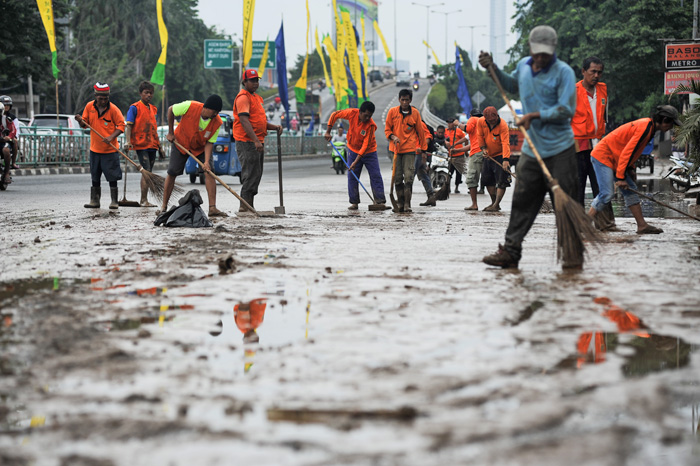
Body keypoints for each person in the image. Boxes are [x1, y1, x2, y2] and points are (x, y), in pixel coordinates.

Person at [479, 25, 580, 269]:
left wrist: (535, 115)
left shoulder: (563, 72)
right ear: (531, 49)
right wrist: (493, 69)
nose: (541, 57)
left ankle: (572, 254)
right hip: (532, 151)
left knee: (566, 203)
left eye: (546, 53)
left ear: (553, 50)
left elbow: (567, 109)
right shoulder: (524, 65)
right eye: (537, 52)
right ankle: (511, 250)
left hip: (560, 149)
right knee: (522, 200)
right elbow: (512, 86)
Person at [588, 106, 679, 234]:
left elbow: (633, 150)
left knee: (631, 190)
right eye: (671, 124)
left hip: (615, 159)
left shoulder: (650, 128)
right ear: (664, 120)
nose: (671, 127)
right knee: (606, 193)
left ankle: (642, 225)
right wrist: (620, 178)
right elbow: (628, 152)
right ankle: (584, 223)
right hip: (603, 157)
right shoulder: (645, 127)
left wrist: (631, 169)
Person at [163, 94, 227, 217]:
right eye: (214, 111)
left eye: (217, 112)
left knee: (210, 172)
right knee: (172, 172)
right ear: (207, 108)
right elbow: (171, 109)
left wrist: (207, 162)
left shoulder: (217, 122)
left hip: (200, 147)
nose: (215, 115)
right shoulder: (189, 106)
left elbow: (209, 143)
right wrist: (171, 132)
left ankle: (212, 208)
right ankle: (164, 207)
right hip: (181, 141)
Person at [233, 69, 283, 212]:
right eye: (252, 80)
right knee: (250, 173)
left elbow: (258, 121)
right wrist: (255, 140)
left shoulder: (256, 97)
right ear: (245, 82)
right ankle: (244, 207)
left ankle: (249, 205)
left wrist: (274, 127)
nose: (255, 83)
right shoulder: (243, 98)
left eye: (257, 80)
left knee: (256, 173)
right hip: (247, 141)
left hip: (257, 140)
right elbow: (244, 120)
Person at [325, 101, 388, 210]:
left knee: (375, 175)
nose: (367, 118)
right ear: (360, 112)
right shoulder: (352, 113)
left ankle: (379, 201)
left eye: (370, 116)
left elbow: (365, 145)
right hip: (352, 150)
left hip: (369, 152)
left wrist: (355, 161)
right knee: (352, 175)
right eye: (366, 115)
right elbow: (334, 115)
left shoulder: (371, 125)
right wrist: (328, 131)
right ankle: (354, 202)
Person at [75, 83, 126, 210]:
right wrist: (80, 120)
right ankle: (95, 200)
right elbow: (85, 125)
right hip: (95, 149)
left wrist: (111, 137)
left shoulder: (114, 109)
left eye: (106, 98)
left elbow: (121, 126)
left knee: (112, 176)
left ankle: (114, 201)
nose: (103, 101)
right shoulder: (89, 107)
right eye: (101, 98)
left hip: (110, 150)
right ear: (95, 96)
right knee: (95, 176)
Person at [384, 88, 426, 213]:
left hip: (409, 150)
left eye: (407, 100)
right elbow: (387, 130)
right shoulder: (392, 112)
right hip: (395, 150)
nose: (404, 102)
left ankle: (407, 204)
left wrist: (423, 150)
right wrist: (393, 137)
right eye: (402, 100)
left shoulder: (415, 114)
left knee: (408, 177)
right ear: (399, 100)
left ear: (410, 100)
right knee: (397, 178)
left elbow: (420, 132)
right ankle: (400, 203)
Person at [125, 81, 160, 207]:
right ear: (141, 94)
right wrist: (128, 141)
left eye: (151, 93)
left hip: (152, 145)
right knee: (146, 171)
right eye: (146, 93)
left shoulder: (153, 109)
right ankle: (143, 200)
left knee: (148, 171)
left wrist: (160, 147)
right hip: (141, 144)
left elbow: (154, 129)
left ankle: (144, 199)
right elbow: (129, 126)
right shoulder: (134, 108)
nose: (149, 95)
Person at [477, 106, 511, 211]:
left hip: (501, 155)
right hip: (488, 155)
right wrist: (483, 149)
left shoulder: (503, 125)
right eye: (489, 121)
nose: (492, 122)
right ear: (486, 119)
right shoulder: (481, 122)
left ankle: (496, 204)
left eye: (493, 120)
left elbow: (505, 143)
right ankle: (493, 202)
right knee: (487, 180)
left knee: (502, 181)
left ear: (497, 116)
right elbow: (480, 136)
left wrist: (506, 160)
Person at [456, 108, 485, 210]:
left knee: (471, 179)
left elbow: (467, 129)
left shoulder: (473, 119)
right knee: (488, 179)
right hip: (484, 152)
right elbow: (470, 141)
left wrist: (458, 124)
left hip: (476, 153)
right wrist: (456, 148)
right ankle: (495, 203)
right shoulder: (482, 122)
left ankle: (474, 204)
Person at [416, 120, 436, 206]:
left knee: (409, 175)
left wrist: (422, 149)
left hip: (416, 154)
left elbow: (428, 136)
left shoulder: (419, 123)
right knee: (423, 174)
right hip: (418, 153)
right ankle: (431, 197)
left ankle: (404, 199)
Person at [445, 117, 467, 194]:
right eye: (448, 123)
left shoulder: (459, 131)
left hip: (459, 155)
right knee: (449, 171)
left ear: (454, 124)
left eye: (450, 123)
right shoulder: (445, 131)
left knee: (459, 172)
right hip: (450, 155)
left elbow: (466, 139)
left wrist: (465, 149)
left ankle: (457, 187)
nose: (449, 124)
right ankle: (448, 187)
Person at [0, 96, 20, 169]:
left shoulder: (12, 118)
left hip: (9, 137)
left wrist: (10, 137)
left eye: (8, 105)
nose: (6, 107)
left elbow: (15, 130)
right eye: (4, 105)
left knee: (15, 140)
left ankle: (13, 162)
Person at [0, 102, 15, 186]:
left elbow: (13, 131)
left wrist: (8, 137)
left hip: (3, 142)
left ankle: (6, 173)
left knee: (6, 150)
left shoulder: (7, 119)